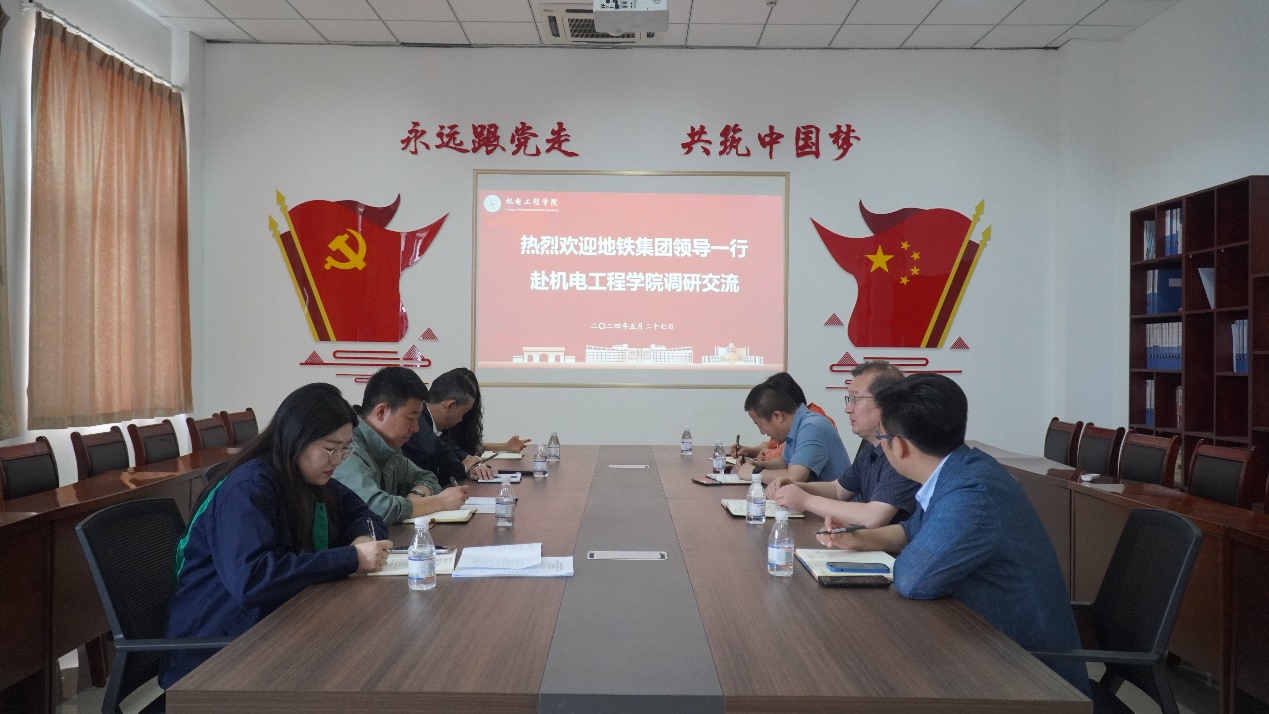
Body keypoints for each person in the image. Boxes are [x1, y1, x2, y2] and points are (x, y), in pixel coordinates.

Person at [817, 373, 1090, 695]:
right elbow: (911, 529)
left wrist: (908, 550)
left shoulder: (970, 493)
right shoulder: (962, 467)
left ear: (899, 446)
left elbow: (915, 579)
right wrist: (861, 539)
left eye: (882, 436)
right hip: (983, 647)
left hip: (1030, 677)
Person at [162, 383, 393, 688]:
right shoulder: (248, 488)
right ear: (297, 438)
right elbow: (252, 580)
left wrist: (363, 540)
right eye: (330, 448)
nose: (338, 459)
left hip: (273, 623)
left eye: (345, 449)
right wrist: (349, 559)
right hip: (218, 649)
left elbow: (364, 514)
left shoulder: (305, 477)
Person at [768, 362, 918, 528]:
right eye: (849, 399)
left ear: (886, 402)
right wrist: (795, 487)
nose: (848, 409)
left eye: (855, 399)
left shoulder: (902, 450)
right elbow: (837, 490)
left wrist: (806, 500)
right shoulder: (872, 447)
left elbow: (874, 516)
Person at [333, 367, 469, 524]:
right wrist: (440, 502)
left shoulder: (387, 447)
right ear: (381, 412)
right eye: (411, 418)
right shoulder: (347, 446)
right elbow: (376, 509)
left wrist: (417, 496)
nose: (416, 428)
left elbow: (427, 477)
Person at [738, 379, 850, 485]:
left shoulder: (812, 426)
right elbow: (784, 462)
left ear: (778, 416)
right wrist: (756, 465)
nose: (762, 432)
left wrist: (754, 473)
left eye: (760, 425)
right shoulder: (797, 424)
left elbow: (794, 478)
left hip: (833, 499)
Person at [401, 369, 494, 482]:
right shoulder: (419, 421)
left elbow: (450, 447)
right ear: (450, 406)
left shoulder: (437, 425)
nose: (461, 419)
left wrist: (469, 461)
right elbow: (436, 448)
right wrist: (464, 468)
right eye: (464, 412)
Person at [730, 372, 835, 463]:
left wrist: (763, 459)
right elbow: (773, 444)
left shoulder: (811, 424)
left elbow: (792, 470)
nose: (762, 432)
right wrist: (749, 451)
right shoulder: (796, 422)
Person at [442, 367, 531, 457]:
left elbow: (475, 446)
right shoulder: (444, 422)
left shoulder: (469, 415)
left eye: (473, 393)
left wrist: (506, 446)